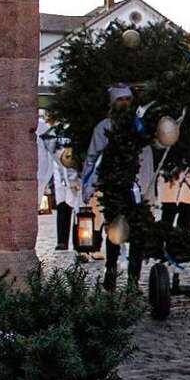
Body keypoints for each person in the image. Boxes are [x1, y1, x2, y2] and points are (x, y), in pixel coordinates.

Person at [82, 85, 155, 290]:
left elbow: (147, 160)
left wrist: (147, 189)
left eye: (127, 100)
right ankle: (111, 271)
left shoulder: (140, 128)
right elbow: (93, 158)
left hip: (137, 190)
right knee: (114, 231)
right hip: (113, 187)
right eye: (120, 100)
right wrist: (89, 185)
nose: (124, 104)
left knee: (138, 233)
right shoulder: (104, 128)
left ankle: (133, 279)